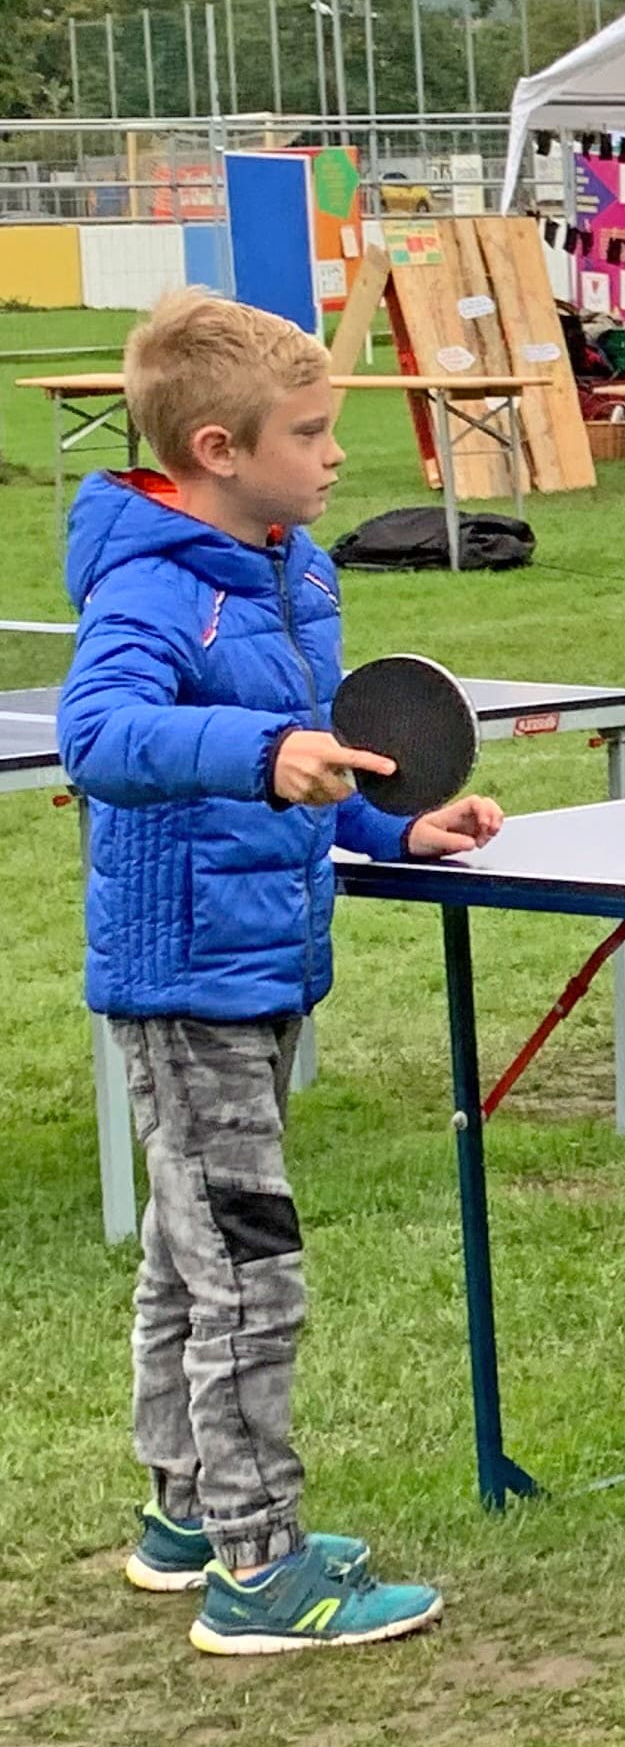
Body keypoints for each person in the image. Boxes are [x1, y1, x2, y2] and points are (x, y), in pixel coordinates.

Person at [63, 289, 505, 1654]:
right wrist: (258, 755)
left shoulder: (290, 567)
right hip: (187, 978)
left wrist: (393, 826)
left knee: (186, 1249)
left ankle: (186, 1514)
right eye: (307, 433)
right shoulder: (153, 589)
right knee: (249, 1267)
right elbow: (100, 737)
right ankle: (260, 1568)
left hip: (262, 961)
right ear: (217, 448)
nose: (333, 455)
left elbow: (316, 757)